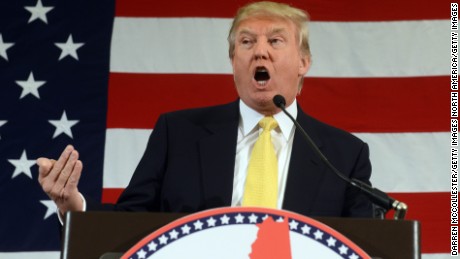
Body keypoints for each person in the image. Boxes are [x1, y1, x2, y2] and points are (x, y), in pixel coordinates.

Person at [37, 1, 373, 218]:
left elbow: (364, 245)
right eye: (246, 42)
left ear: (304, 62)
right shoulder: (177, 134)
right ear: (232, 61)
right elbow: (131, 225)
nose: (259, 52)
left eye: (274, 41)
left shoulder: (345, 156)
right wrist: (73, 206)